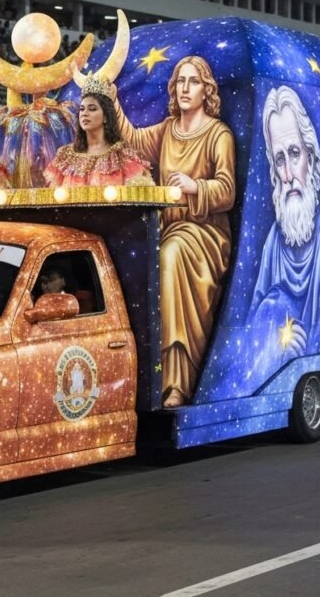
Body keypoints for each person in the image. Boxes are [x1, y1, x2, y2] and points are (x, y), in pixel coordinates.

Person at [113, 55, 235, 407]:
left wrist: (195, 187)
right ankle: (155, 374)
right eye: (180, 81)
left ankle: (177, 382)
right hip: (169, 228)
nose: (185, 88)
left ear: (206, 89)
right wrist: (111, 100)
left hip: (205, 235)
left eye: (193, 81)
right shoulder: (168, 130)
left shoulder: (218, 134)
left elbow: (227, 190)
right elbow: (132, 140)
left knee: (171, 255)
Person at [245, 85, 320, 378]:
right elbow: (253, 331)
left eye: (294, 154)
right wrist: (275, 342)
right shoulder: (274, 242)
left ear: (311, 157)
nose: (287, 174)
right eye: (279, 159)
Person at [43, 75, 151, 188]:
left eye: (92, 109)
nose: (85, 113)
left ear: (105, 116)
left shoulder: (122, 157)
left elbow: (139, 193)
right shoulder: (65, 157)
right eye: (82, 109)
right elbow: (51, 195)